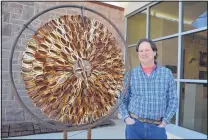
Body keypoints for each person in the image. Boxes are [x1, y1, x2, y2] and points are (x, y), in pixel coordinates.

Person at [119, 38, 178, 139]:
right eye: (141, 51)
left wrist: (164, 122)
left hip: (157, 128)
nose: (144, 53)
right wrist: (127, 118)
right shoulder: (131, 74)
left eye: (147, 50)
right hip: (134, 127)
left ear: (154, 52)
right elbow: (121, 99)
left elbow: (173, 100)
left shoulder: (166, 73)